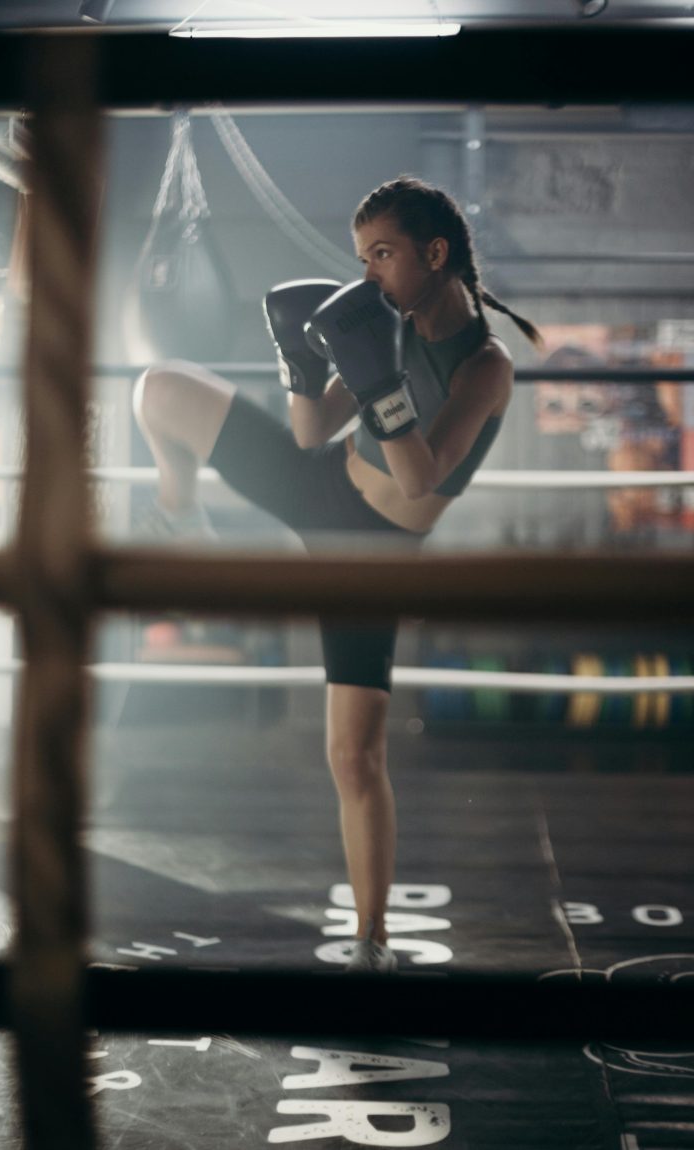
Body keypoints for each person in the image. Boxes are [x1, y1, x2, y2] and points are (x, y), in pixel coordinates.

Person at [132, 175, 542, 972]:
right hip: (318, 481)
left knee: (353, 755)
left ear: (435, 253)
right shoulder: (379, 323)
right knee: (160, 389)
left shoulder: (484, 366)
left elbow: (422, 479)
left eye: (381, 256)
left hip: (372, 552)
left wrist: (379, 381)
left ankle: (372, 941)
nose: (367, 277)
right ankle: (179, 508)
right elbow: (311, 426)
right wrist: (300, 360)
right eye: (360, 260)